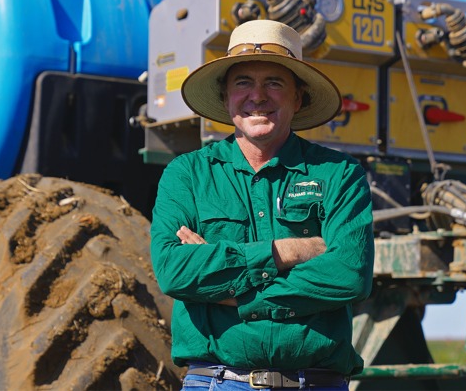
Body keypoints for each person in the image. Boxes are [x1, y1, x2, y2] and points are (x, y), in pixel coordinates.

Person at [150, 20, 375, 390]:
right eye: (243, 83)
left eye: (274, 82)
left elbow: (349, 274)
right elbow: (174, 270)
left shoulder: (339, 174)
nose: (257, 96)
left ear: (297, 98)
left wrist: (237, 295)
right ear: (225, 97)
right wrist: (288, 251)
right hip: (217, 382)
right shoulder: (187, 174)